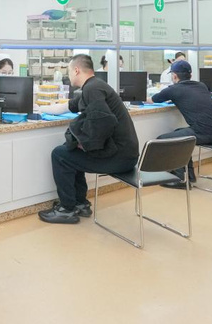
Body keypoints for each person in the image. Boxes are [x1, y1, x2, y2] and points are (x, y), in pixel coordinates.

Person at [40, 54, 140, 224]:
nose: (68, 75)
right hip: (126, 154)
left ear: (76, 70)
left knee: (60, 154)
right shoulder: (95, 86)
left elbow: (104, 121)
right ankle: (80, 203)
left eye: (69, 71)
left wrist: (85, 144)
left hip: (120, 158)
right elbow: (68, 106)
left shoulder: (91, 89)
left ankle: (67, 209)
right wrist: (41, 108)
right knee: (70, 151)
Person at [148, 60, 212, 189]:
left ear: (174, 76)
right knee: (179, 133)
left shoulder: (174, 89)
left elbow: (151, 100)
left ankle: (181, 179)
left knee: (163, 139)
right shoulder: (201, 85)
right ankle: (189, 175)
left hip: (205, 133)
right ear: (190, 75)